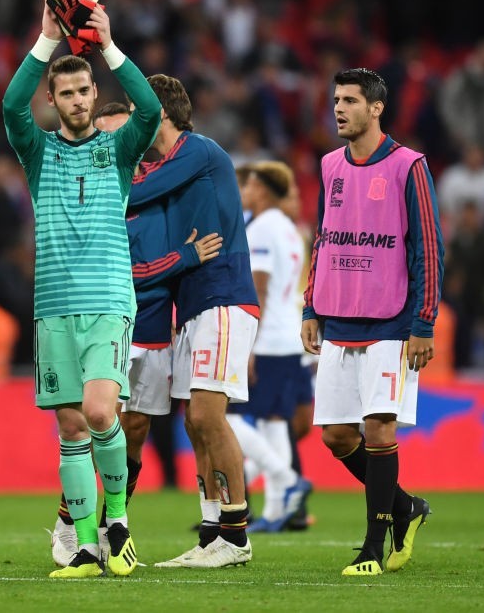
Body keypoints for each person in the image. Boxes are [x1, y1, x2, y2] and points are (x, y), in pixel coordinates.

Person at [2, 0, 162, 578]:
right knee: (70, 428)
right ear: (53, 98)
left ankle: (117, 519)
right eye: (64, 92)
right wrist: (47, 38)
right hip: (52, 308)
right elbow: (11, 106)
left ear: (96, 95)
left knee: (99, 411)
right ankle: (87, 548)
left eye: (83, 90)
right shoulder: (37, 152)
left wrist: (110, 45)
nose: (75, 99)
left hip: (107, 302)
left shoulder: (118, 151)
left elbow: (149, 110)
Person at [49, 102, 224, 566]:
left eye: (122, 134)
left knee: (136, 429)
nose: (114, 144)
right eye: (106, 134)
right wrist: (182, 259)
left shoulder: (154, 185)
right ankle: (69, 523)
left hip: (153, 325)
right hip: (109, 318)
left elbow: (162, 260)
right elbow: (119, 271)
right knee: (97, 420)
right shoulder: (95, 193)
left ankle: (112, 526)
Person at [301, 67, 442, 576]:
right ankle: (406, 508)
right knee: (337, 436)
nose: (339, 109)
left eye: (351, 101)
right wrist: (311, 306)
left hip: (390, 321)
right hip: (338, 318)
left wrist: (423, 323)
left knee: (379, 429)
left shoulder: (409, 165)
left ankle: (372, 549)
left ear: (377, 108)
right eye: (336, 100)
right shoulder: (329, 165)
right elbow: (324, 238)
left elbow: (428, 247)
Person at [127, 74, 260, 569]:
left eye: (140, 112)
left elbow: (133, 194)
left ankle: (236, 533)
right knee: (193, 422)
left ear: (160, 112)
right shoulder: (167, 167)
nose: (135, 122)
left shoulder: (197, 151)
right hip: (192, 305)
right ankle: (210, 534)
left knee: (206, 416)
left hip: (222, 295)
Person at [228, 160, 312, 533]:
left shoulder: (261, 228)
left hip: (266, 340)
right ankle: (277, 509)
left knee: (226, 419)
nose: (245, 192)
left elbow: (258, 291)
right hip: (287, 337)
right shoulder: (290, 229)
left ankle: (286, 478)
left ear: (261, 189)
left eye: (249, 186)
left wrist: (247, 345)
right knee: (274, 420)